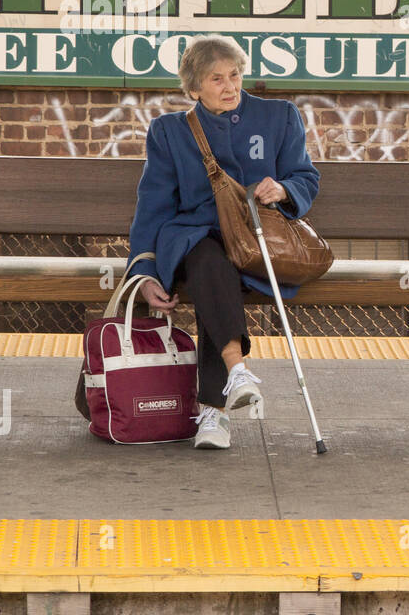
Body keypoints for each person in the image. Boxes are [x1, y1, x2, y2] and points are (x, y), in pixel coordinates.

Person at [128, 35, 320, 449]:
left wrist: (284, 189)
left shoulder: (280, 117)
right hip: (192, 239)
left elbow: (306, 177)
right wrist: (143, 270)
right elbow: (153, 207)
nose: (230, 86)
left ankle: (214, 411)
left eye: (235, 75)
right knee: (209, 263)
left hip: (253, 242)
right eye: (217, 79)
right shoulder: (169, 132)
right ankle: (236, 372)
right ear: (194, 89)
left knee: (219, 273)